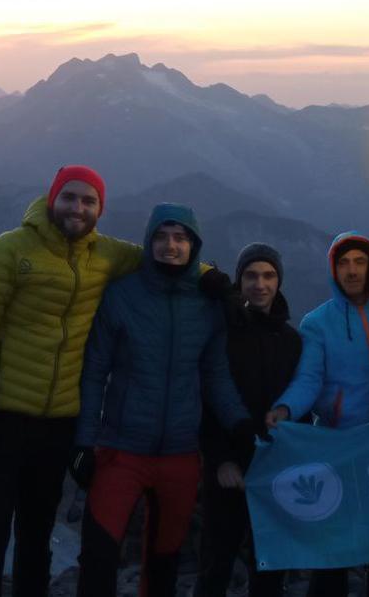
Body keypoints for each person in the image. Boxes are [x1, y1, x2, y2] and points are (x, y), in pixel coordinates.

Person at [0, 165, 143, 597]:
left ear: (100, 209)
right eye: (70, 197)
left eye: (88, 201)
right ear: (52, 199)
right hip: (1, 419)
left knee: (36, 537)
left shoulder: (106, 255)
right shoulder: (5, 252)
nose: (78, 208)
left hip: (58, 425)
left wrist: (211, 277)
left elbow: (167, 257)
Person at [71, 203, 253, 597]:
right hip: (121, 450)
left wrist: (240, 423)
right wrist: (84, 442)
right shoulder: (121, 296)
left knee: (164, 560)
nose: (170, 245)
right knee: (99, 554)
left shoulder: (208, 307)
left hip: (180, 455)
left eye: (180, 238)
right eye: (161, 236)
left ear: (194, 245)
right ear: (149, 241)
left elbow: (215, 375)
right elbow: (94, 373)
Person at [265, 232, 369, 597]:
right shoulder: (318, 322)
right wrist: (285, 408)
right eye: (343, 263)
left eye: (359, 262)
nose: (351, 271)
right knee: (333, 549)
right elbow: (309, 379)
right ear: (333, 270)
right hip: (338, 445)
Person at [195, 243, 302, 597]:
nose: (260, 284)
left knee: (269, 566)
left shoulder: (291, 341)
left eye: (269, 276)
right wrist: (220, 460)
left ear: (279, 281)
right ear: (239, 281)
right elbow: (207, 398)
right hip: (227, 470)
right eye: (251, 276)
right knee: (216, 563)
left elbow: (298, 402)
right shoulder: (221, 332)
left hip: (273, 469)